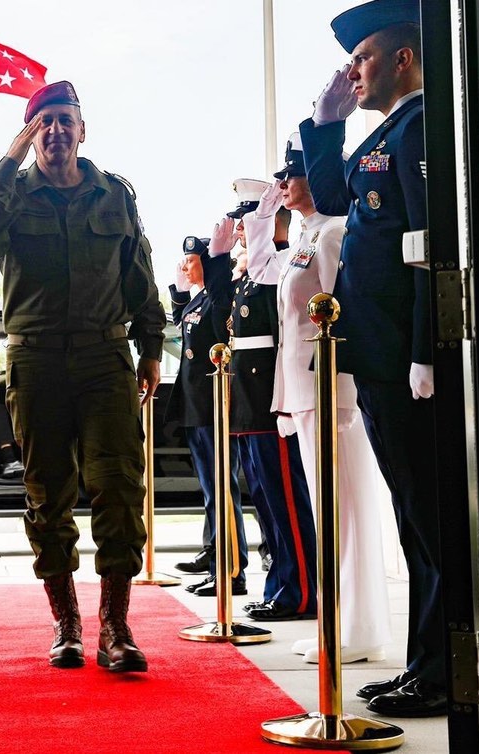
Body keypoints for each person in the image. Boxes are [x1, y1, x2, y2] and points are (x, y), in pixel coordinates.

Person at [0, 81, 165, 674]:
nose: (54, 131)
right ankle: (68, 624)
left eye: (64, 120)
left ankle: (116, 627)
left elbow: (140, 277)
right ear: (32, 134)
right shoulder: (13, 196)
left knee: (119, 489)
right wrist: (8, 159)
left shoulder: (114, 194)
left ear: (82, 129)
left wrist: (151, 346)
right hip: (37, 361)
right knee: (48, 496)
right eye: (42, 122)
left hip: (106, 362)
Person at [299, 0, 446, 716]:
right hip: (383, 356)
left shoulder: (424, 127)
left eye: (362, 60)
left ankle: (442, 670)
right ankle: (428, 664)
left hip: (407, 362)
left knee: (431, 520)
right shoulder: (386, 132)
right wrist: (326, 122)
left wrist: (426, 351)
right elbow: (331, 196)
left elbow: (428, 249)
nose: (352, 72)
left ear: (403, 59)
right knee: (416, 520)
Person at [245, 134, 393, 663]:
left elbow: (344, 319)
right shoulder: (308, 234)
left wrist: (346, 395)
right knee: (326, 510)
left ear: (319, 177)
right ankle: (336, 620)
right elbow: (267, 278)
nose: (283, 184)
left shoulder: (333, 234)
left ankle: (357, 627)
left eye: (292, 175)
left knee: (346, 509)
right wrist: (260, 219)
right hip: (305, 390)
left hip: (333, 391)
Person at [202, 184, 317, 623]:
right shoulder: (254, 274)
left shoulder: (282, 264)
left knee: (287, 500)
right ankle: (282, 585)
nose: (243, 230)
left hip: (270, 402)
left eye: (249, 220)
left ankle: (302, 590)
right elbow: (220, 319)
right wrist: (216, 262)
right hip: (249, 404)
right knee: (268, 504)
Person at [169, 237, 247, 595]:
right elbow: (183, 327)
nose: (185, 267)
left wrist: (217, 266)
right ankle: (214, 553)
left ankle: (232, 569)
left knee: (222, 488)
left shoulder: (220, 296)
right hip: (196, 405)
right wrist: (180, 291)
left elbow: (216, 328)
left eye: (191, 261)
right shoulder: (199, 299)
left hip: (214, 403)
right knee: (211, 489)